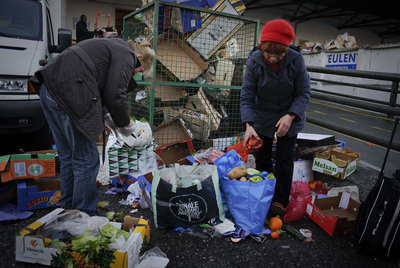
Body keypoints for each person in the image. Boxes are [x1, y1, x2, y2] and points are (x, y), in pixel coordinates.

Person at [30, 37, 155, 216]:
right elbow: (115, 95)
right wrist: (126, 125)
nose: (135, 74)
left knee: (68, 156)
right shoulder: (127, 55)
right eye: (139, 70)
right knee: (87, 160)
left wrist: (107, 117)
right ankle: (83, 216)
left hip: (49, 90)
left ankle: (67, 208)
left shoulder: (112, 46)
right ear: (140, 57)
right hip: (69, 94)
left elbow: (98, 83)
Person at [240, 19, 311, 217]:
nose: (272, 58)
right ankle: (264, 193)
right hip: (262, 117)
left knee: (284, 159)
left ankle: (280, 200)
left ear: (286, 50)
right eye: (268, 54)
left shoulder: (296, 60)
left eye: (278, 54)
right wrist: (249, 125)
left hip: (290, 116)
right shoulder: (254, 62)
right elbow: (246, 96)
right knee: (262, 158)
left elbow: (304, 92)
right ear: (261, 49)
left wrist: (290, 116)